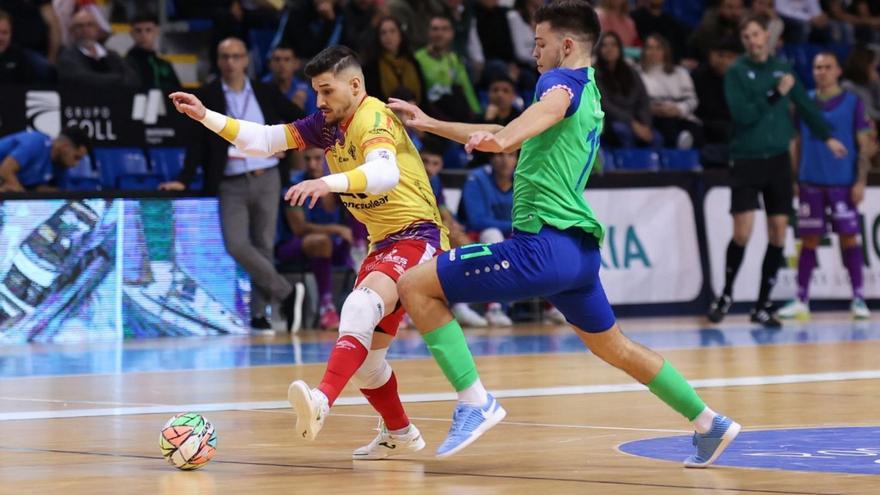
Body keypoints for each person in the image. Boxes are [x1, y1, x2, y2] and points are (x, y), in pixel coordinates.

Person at [388, 0, 741, 465]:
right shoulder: (591, 90)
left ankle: (475, 401)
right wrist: (434, 124)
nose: (534, 52)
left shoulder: (557, 82)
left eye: (540, 43)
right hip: (577, 253)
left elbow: (526, 122)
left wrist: (502, 142)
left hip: (541, 246)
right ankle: (709, 422)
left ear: (567, 45)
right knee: (616, 346)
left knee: (414, 285)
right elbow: (510, 127)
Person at [168, 45, 448, 460]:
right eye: (315, 91)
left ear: (355, 86)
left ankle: (321, 401)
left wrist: (326, 183)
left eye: (326, 91)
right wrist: (205, 115)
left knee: (358, 307)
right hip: (383, 242)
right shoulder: (327, 123)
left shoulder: (372, 117)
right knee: (368, 365)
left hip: (417, 235)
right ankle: (399, 432)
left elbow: (385, 174)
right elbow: (264, 140)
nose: (319, 102)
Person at [707, 15, 847, 328]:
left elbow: (806, 107)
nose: (753, 41)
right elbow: (742, 115)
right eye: (747, 37)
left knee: (779, 232)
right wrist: (774, 94)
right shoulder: (737, 72)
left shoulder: (783, 71)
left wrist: (828, 137)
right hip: (745, 159)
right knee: (742, 232)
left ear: (766, 37)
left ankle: (762, 304)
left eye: (756, 34)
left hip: (778, 161)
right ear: (743, 42)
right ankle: (726, 296)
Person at [159, 37, 303, 335]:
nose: (230, 62)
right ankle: (285, 292)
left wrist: (287, 146)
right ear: (217, 60)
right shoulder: (209, 94)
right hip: (230, 180)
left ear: (246, 60)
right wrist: (184, 178)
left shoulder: (264, 91)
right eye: (224, 56)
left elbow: (299, 121)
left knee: (264, 245)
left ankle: (259, 315)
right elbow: (197, 140)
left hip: (266, 175)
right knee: (236, 244)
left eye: (236, 56)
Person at [777, 52, 878, 321]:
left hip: (842, 183)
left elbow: (865, 145)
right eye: (817, 67)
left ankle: (858, 298)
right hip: (810, 181)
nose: (821, 71)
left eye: (827, 67)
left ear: (838, 71)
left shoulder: (853, 103)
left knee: (849, 238)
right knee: (809, 240)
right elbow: (794, 142)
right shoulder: (804, 102)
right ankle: (801, 299)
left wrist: (860, 181)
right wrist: (795, 178)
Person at [276, 147, 351, 330]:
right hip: (291, 246)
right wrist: (336, 229)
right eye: (307, 159)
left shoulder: (341, 185)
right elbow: (299, 228)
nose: (312, 164)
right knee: (321, 241)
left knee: (367, 241)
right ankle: (327, 308)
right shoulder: (295, 185)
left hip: (333, 246)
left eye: (318, 159)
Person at [56, 9, 139, 89]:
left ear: (97, 29)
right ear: (72, 31)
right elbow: (81, 80)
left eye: (89, 25)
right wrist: (117, 79)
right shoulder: (67, 56)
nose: (85, 30)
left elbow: (132, 79)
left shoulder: (112, 55)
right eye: (79, 26)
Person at [0, 127, 89, 192]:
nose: (75, 164)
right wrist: (22, 195)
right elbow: (5, 169)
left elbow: (57, 193)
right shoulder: (35, 143)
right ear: (64, 146)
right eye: (76, 157)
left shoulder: (61, 166)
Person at [125, 12, 181, 93]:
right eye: (138, 31)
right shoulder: (127, 64)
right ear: (131, 33)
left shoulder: (164, 64)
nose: (143, 35)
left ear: (156, 31)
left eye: (148, 30)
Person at [263, 44, 317, 115]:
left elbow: (315, 122)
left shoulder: (305, 91)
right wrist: (293, 109)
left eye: (287, 59)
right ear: (270, 64)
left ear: (296, 64)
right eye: (277, 59)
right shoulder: (261, 88)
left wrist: (300, 113)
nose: (281, 64)